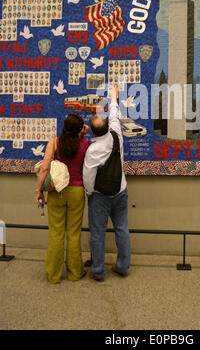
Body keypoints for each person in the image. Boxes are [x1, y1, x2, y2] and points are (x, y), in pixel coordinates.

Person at [83, 85, 130, 281]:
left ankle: (99, 271)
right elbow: (115, 115)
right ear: (108, 127)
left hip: (100, 196)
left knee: (97, 233)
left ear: (91, 132)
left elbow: (88, 178)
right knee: (122, 229)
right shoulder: (116, 135)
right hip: (120, 191)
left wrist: (90, 193)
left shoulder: (92, 151)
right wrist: (113, 97)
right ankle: (123, 266)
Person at [35, 113, 90, 284]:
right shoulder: (85, 144)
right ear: (80, 129)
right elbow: (78, 149)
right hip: (76, 191)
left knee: (56, 232)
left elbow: (44, 169)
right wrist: (83, 135)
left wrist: (39, 191)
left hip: (56, 191)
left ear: (64, 126)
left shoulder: (54, 143)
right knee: (74, 234)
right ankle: (75, 273)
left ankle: (53, 274)